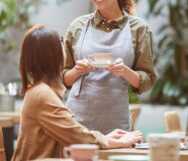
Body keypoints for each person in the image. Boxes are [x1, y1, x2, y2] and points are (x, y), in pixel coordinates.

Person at [12, 25, 142, 161]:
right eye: (61, 41)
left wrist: (106, 138)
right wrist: (117, 142)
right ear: (53, 54)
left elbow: (72, 133)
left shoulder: (40, 90)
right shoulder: (42, 94)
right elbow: (76, 136)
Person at [63, 0, 157, 134]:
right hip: (77, 121)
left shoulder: (139, 28)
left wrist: (124, 71)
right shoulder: (77, 26)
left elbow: (147, 80)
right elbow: (62, 78)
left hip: (116, 121)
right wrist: (77, 71)